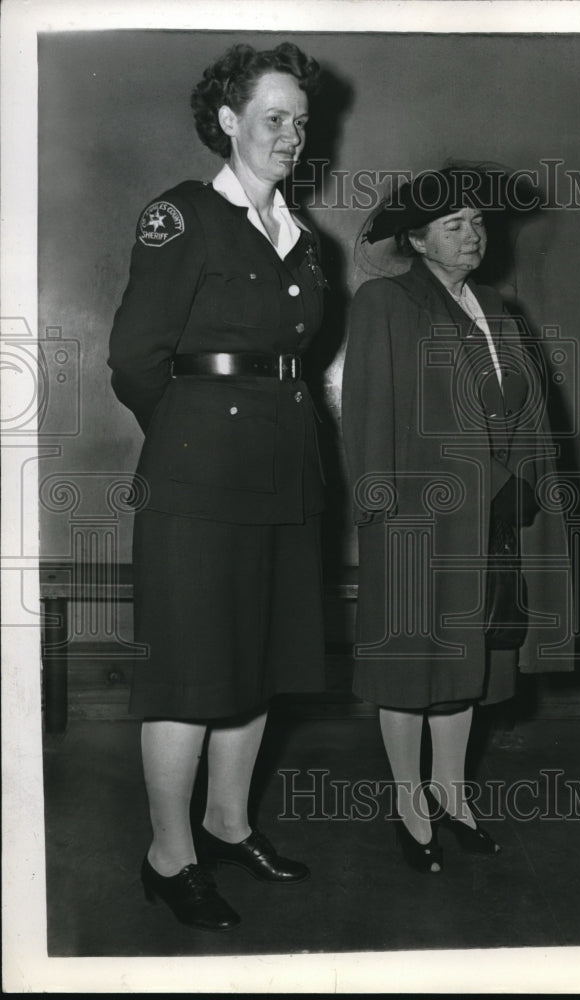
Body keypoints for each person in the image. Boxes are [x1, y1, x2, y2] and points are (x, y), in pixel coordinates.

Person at [108, 42, 328, 930]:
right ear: (229, 120)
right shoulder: (184, 215)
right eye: (273, 118)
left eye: (300, 122)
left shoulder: (305, 239)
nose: (290, 135)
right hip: (199, 481)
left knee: (258, 656)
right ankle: (170, 855)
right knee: (189, 670)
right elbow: (134, 359)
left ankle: (229, 824)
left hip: (285, 474)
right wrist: (192, 441)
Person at [341, 167, 572, 873]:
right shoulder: (386, 301)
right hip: (417, 514)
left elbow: (528, 407)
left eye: (477, 223)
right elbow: (369, 408)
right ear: (417, 240)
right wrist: (377, 503)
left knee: (467, 660)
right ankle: (409, 802)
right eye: (454, 225)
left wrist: (525, 482)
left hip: (488, 514)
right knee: (412, 663)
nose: (473, 236)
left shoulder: (496, 307)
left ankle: (452, 794)